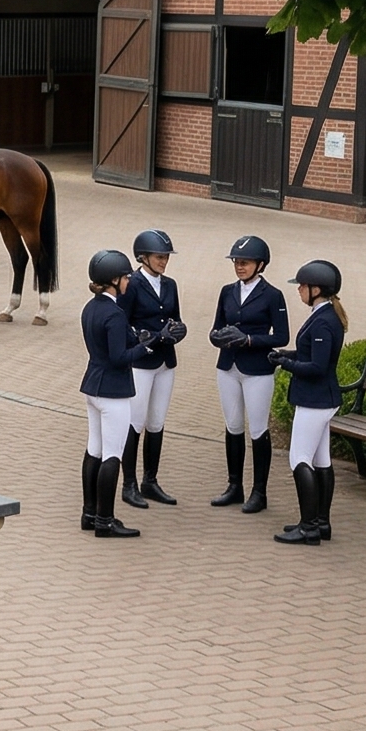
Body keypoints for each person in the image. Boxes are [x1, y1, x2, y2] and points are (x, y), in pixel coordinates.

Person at [208, 235, 289, 512]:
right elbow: (217, 327)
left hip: (257, 371)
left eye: (245, 262)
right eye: (236, 262)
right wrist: (216, 337)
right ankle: (234, 486)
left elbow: (282, 335)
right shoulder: (226, 291)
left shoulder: (273, 295)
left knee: (257, 429)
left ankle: (259, 492)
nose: (239, 266)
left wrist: (249, 340)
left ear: (260, 264)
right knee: (233, 427)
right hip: (228, 367)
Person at [270, 259, 347, 546]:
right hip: (321, 399)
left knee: (299, 459)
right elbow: (309, 353)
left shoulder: (324, 321)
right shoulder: (324, 315)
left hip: (315, 400)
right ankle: (321, 522)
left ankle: (308, 527)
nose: (299, 289)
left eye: (303, 285)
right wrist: (286, 355)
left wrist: (286, 365)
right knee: (321, 460)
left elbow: (316, 367)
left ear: (317, 289)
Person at [80, 248, 148, 540]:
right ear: (113, 281)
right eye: (125, 277)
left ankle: (90, 513)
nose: (129, 281)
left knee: (94, 448)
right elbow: (120, 357)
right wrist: (146, 347)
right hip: (113, 391)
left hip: (93, 386)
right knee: (113, 454)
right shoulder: (115, 313)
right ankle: (106, 521)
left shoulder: (90, 308)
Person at [117, 228, 188, 508]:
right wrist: (151, 336)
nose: (164, 261)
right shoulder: (132, 284)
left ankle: (150, 481)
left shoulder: (170, 285)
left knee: (157, 422)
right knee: (136, 422)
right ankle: (129, 483)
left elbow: (175, 318)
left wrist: (179, 331)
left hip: (165, 362)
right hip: (142, 362)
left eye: (166, 257)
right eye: (159, 256)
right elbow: (123, 323)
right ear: (143, 257)